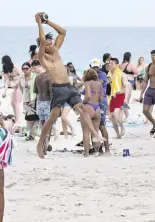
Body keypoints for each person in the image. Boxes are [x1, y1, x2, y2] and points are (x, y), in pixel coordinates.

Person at [34, 12, 102, 158]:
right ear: (43, 47)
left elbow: (63, 32)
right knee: (52, 118)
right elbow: (41, 40)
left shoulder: (56, 51)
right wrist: (39, 23)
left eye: (51, 42)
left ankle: (95, 135)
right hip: (58, 89)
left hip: (69, 87)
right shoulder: (43, 58)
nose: (50, 44)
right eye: (47, 44)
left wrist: (47, 22)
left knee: (83, 110)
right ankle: (40, 143)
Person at [81, 69, 103, 156]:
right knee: (96, 131)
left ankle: (86, 152)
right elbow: (101, 98)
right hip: (97, 108)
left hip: (88, 107)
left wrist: (82, 103)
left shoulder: (87, 83)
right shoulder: (99, 84)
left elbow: (88, 96)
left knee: (86, 132)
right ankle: (96, 151)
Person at [90, 59, 110, 154]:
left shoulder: (102, 74)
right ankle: (97, 149)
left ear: (100, 67)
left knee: (101, 125)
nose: (95, 69)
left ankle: (107, 149)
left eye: (97, 67)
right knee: (92, 126)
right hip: (92, 102)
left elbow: (99, 84)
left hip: (101, 102)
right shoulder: (90, 76)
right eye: (93, 67)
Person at [107, 58, 129, 138]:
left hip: (120, 96)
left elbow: (126, 86)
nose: (109, 65)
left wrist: (126, 98)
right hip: (112, 97)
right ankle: (117, 134)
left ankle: (122, 127)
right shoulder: (108, 75)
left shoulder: (122, 74)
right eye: (109, 63)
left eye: (112, 63)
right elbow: (107, 87)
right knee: (112, 117)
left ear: (116, 65)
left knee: (116, 114)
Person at [0, 55, 23, 127]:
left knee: (16, 103)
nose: (3, 64)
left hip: (19, 86)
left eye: (4, 62)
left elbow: (22, 75)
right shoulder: (5, 70)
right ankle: (17, 120)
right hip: (13, 87)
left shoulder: (15, 67)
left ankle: (18, 121)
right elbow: (7, 81)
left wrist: (16, 83)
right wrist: (4, 92)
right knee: (12, 103)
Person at [119, 52, 139, 118]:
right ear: (129, 57)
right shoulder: (130, 65)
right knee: (126, 100)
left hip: (121, 82)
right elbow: (137, 72)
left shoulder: (120, 65)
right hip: (129, 82)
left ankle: (126, 116)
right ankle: (121, 116)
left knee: (122, 100)